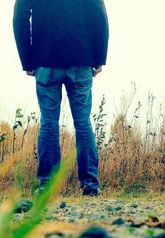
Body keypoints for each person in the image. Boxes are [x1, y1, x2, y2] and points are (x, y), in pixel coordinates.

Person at [13, 0, 109, 196]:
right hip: (81, 58)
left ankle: (47, 186)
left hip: (45, 59)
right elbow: (99, 14)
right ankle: (90, 185)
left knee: (49, 122)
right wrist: (99, 56)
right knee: (83, 123)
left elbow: (20, 17)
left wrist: (27, 59)